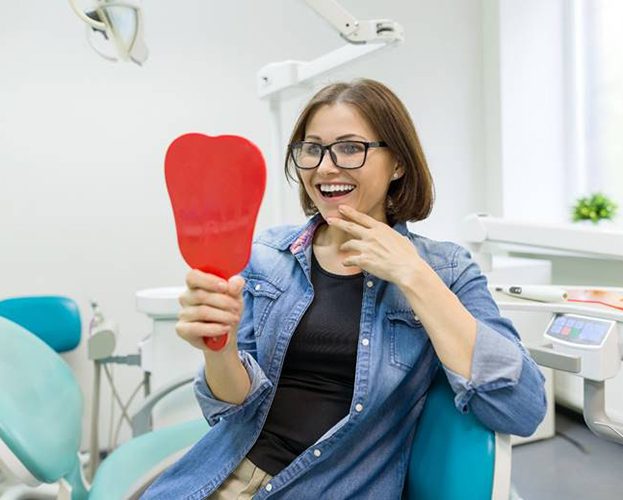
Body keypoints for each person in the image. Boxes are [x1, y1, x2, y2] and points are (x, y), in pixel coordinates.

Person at [141, 79, 547, 499]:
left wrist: (413, 274)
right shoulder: (265, 257)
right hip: (218, 477)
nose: (325, 167)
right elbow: (231, 409)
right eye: (311, 148)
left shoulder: (446, 270)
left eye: (351, 148)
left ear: (398, 164)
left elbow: (522, 407)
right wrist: (218, 349)